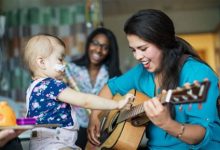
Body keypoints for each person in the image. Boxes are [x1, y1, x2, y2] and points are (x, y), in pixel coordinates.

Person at [88, 9, 220, 149]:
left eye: (143, 48)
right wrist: (95, 116)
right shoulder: (141, 71)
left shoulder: (196, 73)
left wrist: (168, 124)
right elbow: (110, 87)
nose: (137, 56)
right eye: (133, 50)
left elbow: (205, 135)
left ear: (164, 43)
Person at [23, 34, 134, 150]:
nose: (63, 64)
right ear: (42, 63)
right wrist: (117, 104)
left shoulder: (32, 88)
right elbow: (85, 101)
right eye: (60, 59)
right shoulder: (53, 85)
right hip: (55, 144)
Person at [65, 27, 122, 149]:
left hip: (101, 131)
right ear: (88, 44)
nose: (98, 50)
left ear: (110, 51)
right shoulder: (71, 69)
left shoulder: (113, 76)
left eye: (105, 47)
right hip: (74, 129)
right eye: (95, 43)